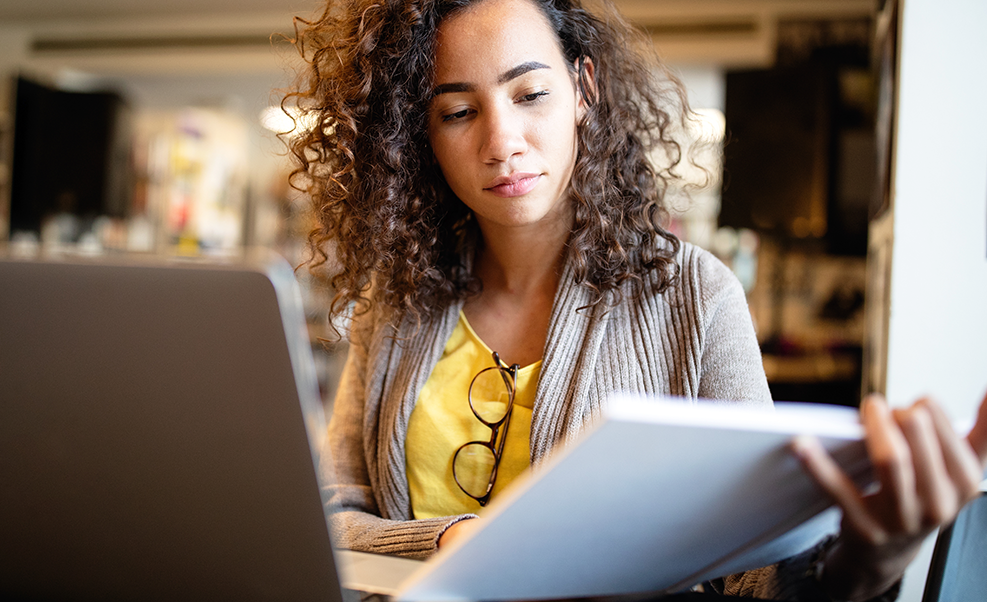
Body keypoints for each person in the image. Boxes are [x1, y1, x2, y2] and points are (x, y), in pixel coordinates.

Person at [281, 0, 987, 599]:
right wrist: (456, 537)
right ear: (420, 134)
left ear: (583, 89)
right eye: (460, 111)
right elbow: (335, 515)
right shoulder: (395, 306)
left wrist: (870, 560)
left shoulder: (693, 294)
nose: (502, 141)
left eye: (530, 95)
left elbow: (760, 569)